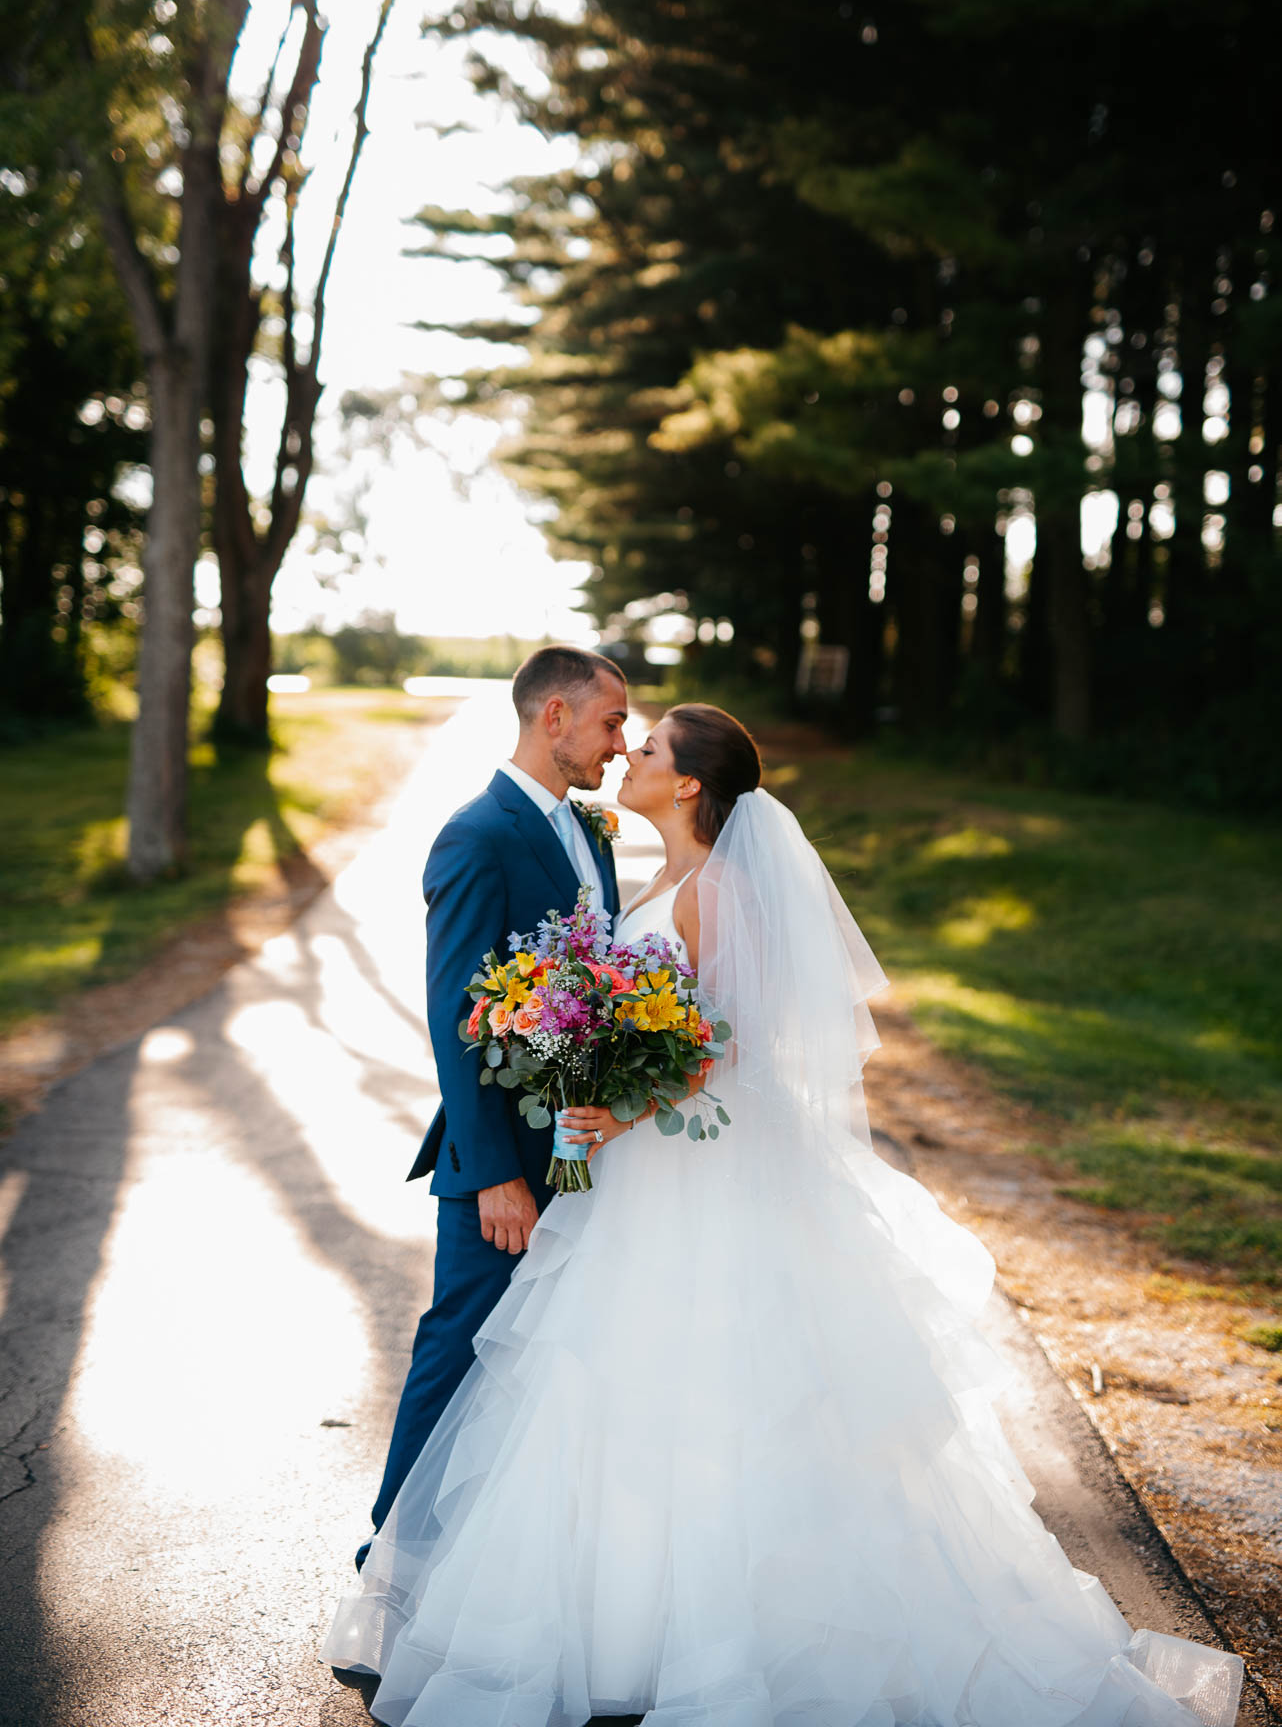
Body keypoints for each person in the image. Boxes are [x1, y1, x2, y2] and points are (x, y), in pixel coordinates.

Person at [327, 703, 1244, 1727]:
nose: (629, 751)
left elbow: (725, 1052)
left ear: (687, 787)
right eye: (625, 732)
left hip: (692, 1181)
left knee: (716, 1392)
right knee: (618, 1389)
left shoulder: (714, 894)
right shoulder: (669, 881)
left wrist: (617, 1113)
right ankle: (625, 1628)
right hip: (640, 1189)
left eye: (652, 745)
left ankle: (732, 1639)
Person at [354, 645, 627, 1570]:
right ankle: (392, 1559)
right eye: (610, 722)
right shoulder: (477, 835)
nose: (619, 744)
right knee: (461, 1343)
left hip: (587, 1151)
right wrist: (495, 1172)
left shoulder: (589, 832)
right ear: (555, 717)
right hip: (503, 1160)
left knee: (557, 1353)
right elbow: (457, 1014)